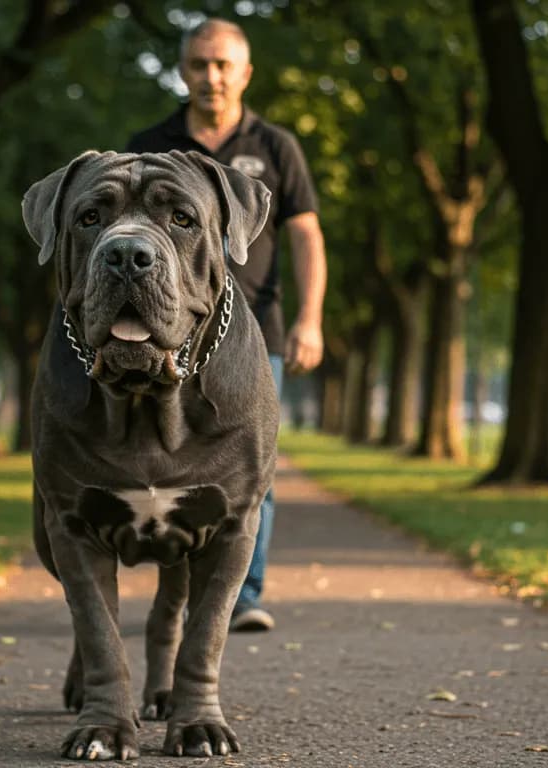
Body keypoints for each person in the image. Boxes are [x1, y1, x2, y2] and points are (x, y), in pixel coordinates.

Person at [125, 18, 328, 633]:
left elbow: (306, 236)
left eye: (222, 65)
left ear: (244, 73)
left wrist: (310, 320)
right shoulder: (151, 143)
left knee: (249, 463)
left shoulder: (275, 147)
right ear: (183, 71)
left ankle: (242, 595)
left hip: (253, 328)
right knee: (163, 453)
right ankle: (171, 584)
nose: (210, 76)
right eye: (198, 65)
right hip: (168, 327)